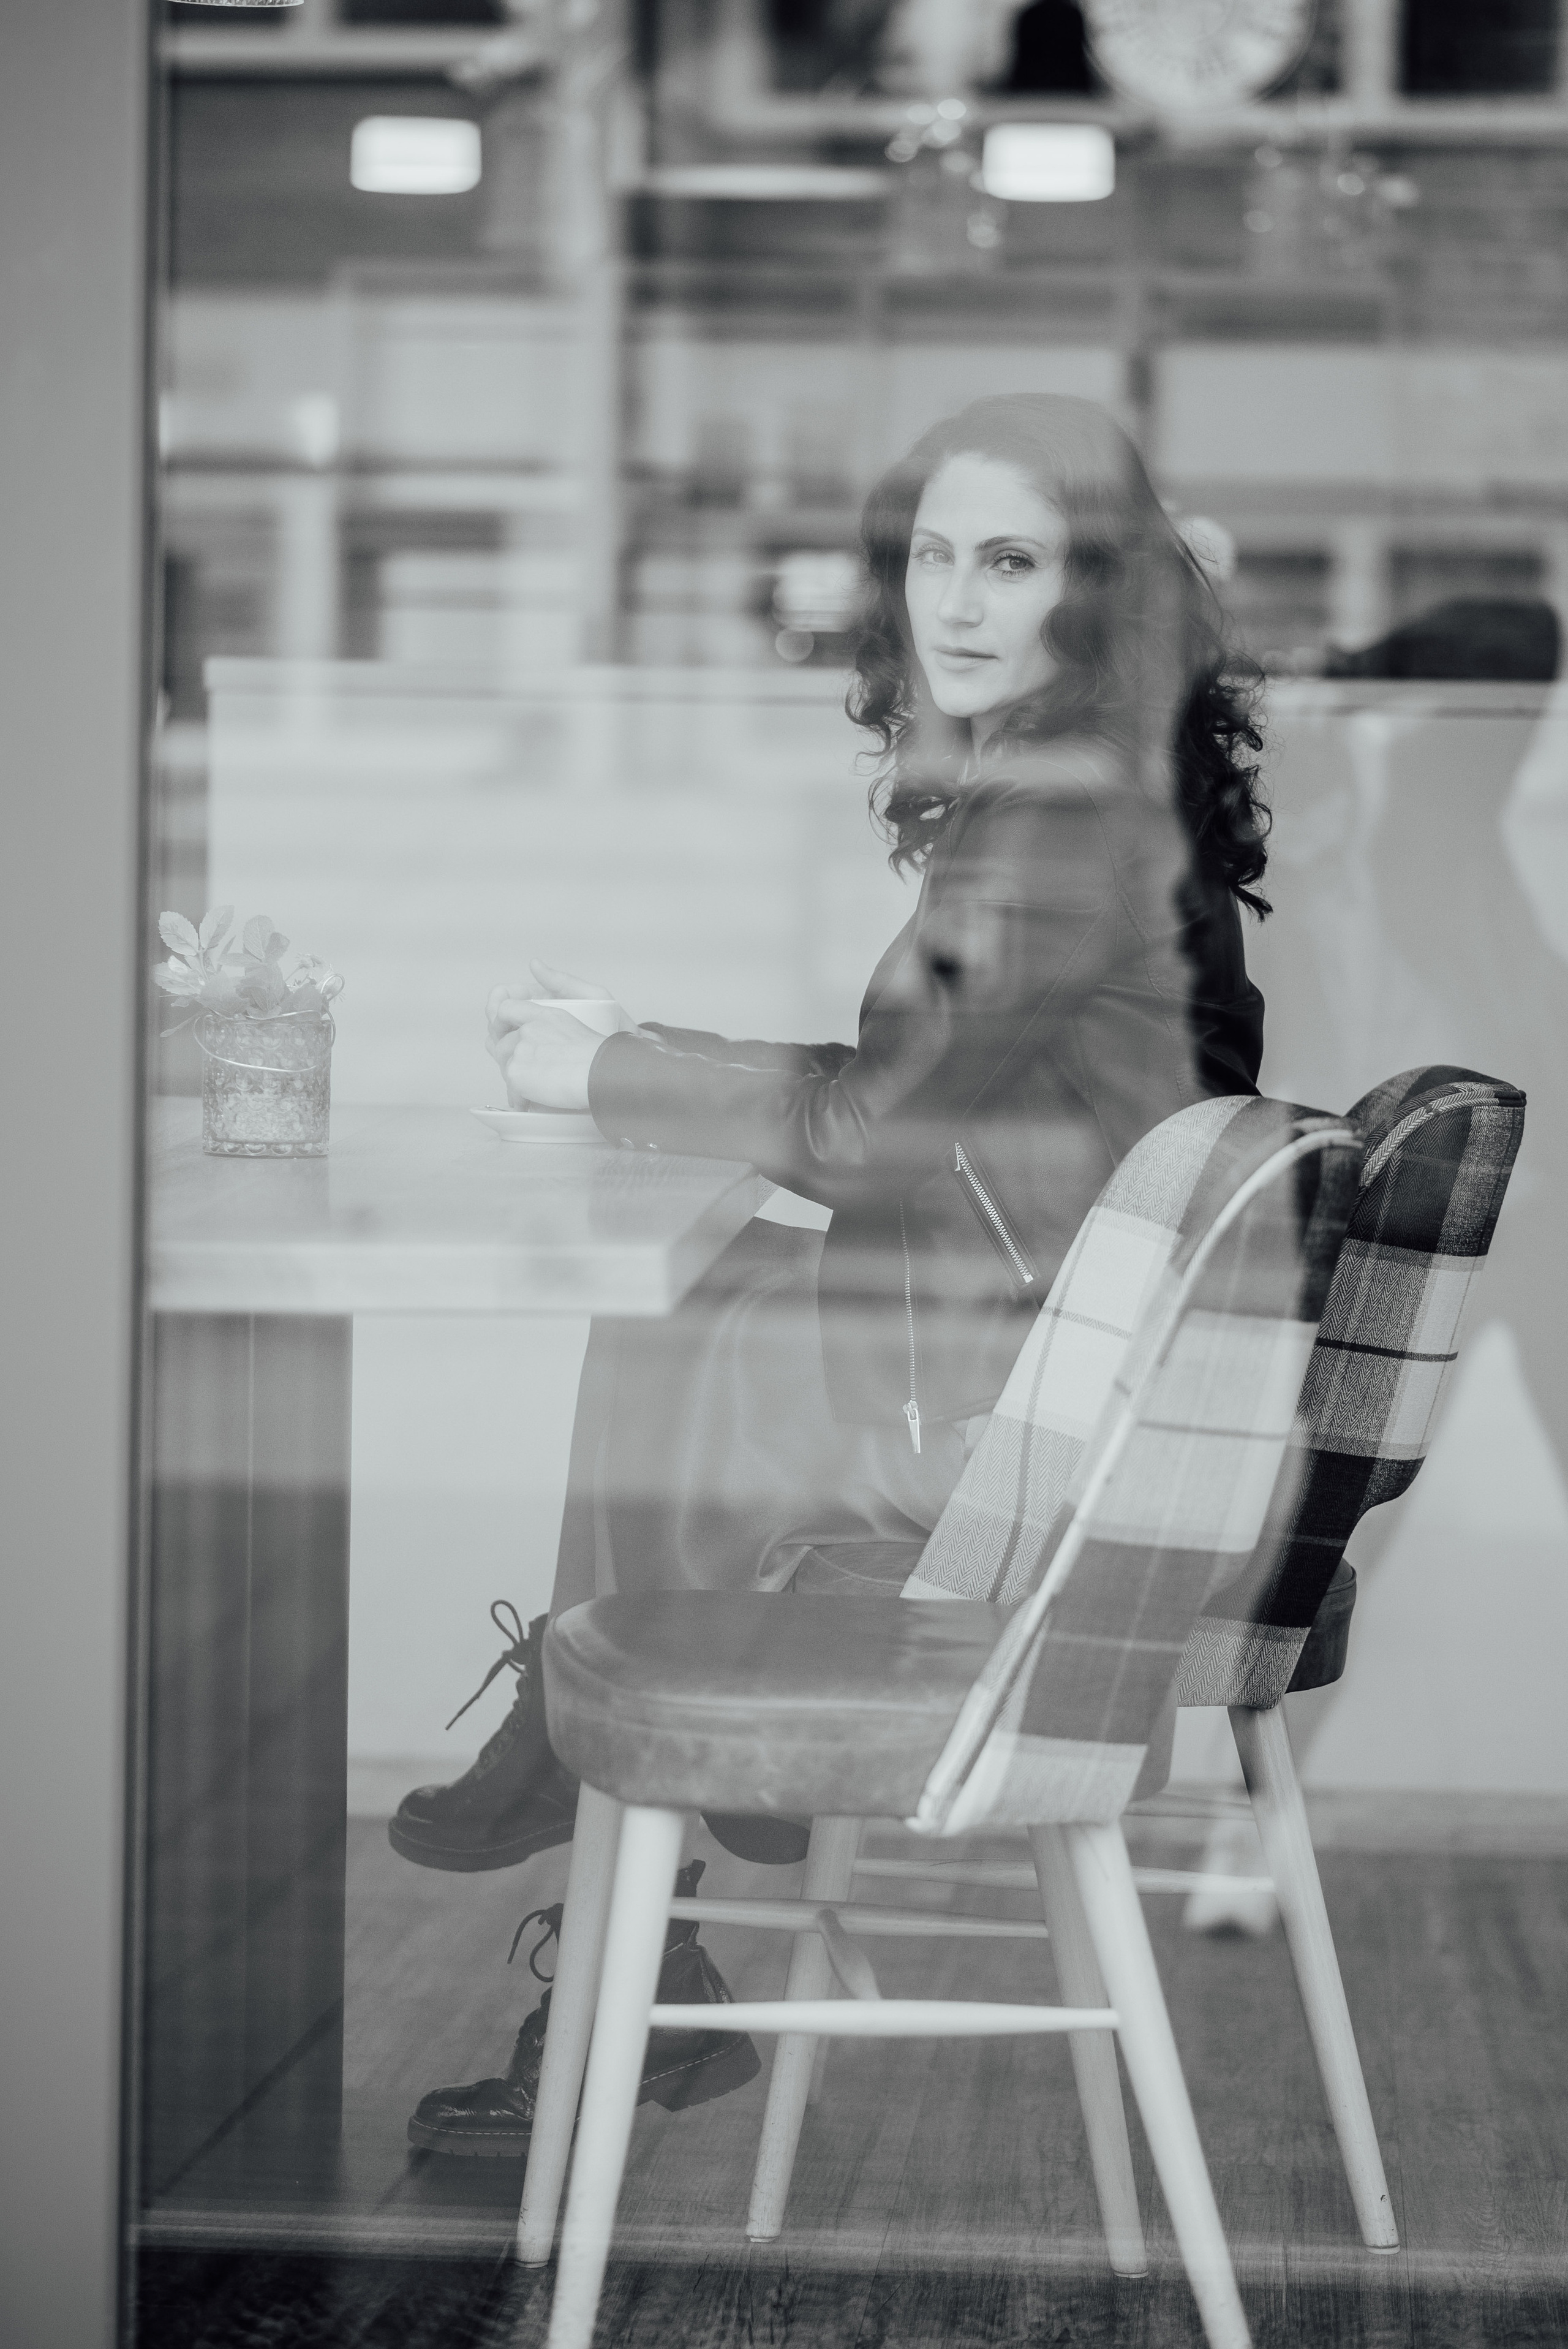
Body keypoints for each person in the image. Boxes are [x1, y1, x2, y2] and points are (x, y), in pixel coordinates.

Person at [391, 393, 1272, 2157]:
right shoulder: (1072, 794)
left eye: (1008, 562)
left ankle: (617, 1785)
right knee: (695, 1321)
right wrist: (639, 1043)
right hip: (1072, 1383)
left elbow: (875, 1124)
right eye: (932, 555)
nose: (955, 601)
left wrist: (614, 1078)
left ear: (1090, 598)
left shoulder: (1068, 818)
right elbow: (927, 1071)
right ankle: (626, 1807)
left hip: (1045, 1439)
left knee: (683, 1332)